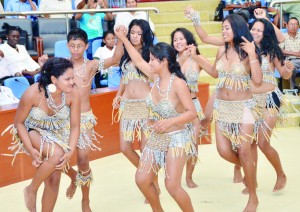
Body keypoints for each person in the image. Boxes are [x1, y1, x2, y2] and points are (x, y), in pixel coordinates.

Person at [117, 24, 197, 210]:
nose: (149, 62)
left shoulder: (178, 84)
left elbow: (192, 113)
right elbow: (136, 60)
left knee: (172, 186)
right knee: (142, 179)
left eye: (153, 59)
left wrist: (169, 121)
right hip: (156, 136)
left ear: (164, 62)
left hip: (176, 138)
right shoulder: (154, 79)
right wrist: (123, 39)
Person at [2, 57, 81, 211]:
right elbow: (18, 123)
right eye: (68, 79)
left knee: (53, 181)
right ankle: (31, 189)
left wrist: (70, 150)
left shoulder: (73, 93)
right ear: (54, 79)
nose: (72, 82)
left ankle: (72, 177)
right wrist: (31, 151)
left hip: (59, 134)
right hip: (31, 131)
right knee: (57, 153)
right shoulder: (33, 93)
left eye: (73, 77)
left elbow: (75, 125)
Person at [57, 28, 123, 212]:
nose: (75, 49)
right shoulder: (61, 65)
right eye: (72, 46)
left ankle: (85, 200)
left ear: (86, 46)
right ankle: (73, 178)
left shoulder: (92, 65)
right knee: (57, 159)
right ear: (67, 46)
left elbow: (116, 58)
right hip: (64, 120)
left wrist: (121, 38)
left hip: (85, 119)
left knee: (83, 160)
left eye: (79, 46)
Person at [112, 19, 161, 203]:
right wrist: (119, 94)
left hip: (145, 105)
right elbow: (125, 77)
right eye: (132, 32)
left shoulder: (150, 55)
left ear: (145, 35)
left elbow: (151, 75)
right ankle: (149, 177)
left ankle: (151, 182)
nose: (134, 36)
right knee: (125, 147)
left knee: (145, 148)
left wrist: (122, 39)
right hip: (127, 106)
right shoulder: (126, 54)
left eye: (138, 33)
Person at [170, 27, 214, 188]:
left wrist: (196, 57)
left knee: (193, 145)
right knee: (175, 145)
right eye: (175, 39)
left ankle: (189, 177)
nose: (178, 42)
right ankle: (175, 177)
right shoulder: (170, 59)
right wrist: (180, 62)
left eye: (181, 38)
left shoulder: (197, 59)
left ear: (188, 40)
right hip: (175, 109)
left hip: (193, 106)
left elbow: (214, 72)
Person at [280, 17, 300, 89]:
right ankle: (294, 88)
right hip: (290, 60)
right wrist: (296, 53)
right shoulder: (283, 36)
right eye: (291, 24)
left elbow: (284, 51)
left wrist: (287, 52)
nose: (293, 26)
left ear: (298, 26)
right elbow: (281, 51)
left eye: (295, 24)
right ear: (287, 25)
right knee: (291, 67)